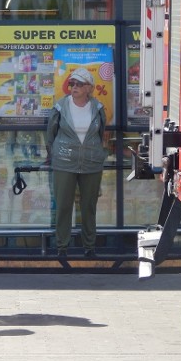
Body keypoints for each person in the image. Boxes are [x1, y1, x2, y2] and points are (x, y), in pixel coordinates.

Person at [46, 67, 108, 257]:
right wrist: (55, 155)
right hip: (64, 161)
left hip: (91, 163)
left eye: (80, 84)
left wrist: (98, 154)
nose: (74, 87)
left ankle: (89, 247)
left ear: (89, 87)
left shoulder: (97, 108)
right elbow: (50, 134)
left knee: (89, 206)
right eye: (72, 83)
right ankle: (62, 247)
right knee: (64, 205)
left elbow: (101, 133)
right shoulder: (60, 106)